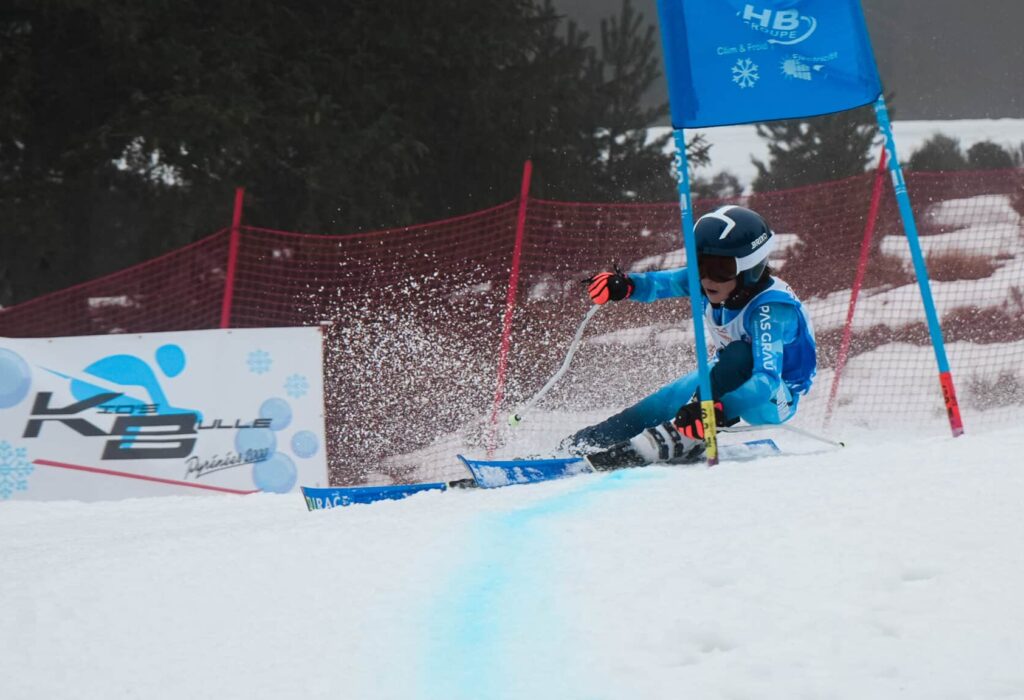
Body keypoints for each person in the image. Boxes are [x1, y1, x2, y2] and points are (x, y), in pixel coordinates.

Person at [563, 204, 817, 470]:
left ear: (750, 269)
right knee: (661, 403)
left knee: (740, 355)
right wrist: (623, 286)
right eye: (700, 265)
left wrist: (719, 411)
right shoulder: (710, 281)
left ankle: (686, 436)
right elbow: (659, 284)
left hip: (776, 398)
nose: (707, 278)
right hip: (730, 374)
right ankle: (583, 444)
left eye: (721, 268)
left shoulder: (771, 310)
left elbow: (766, 380)